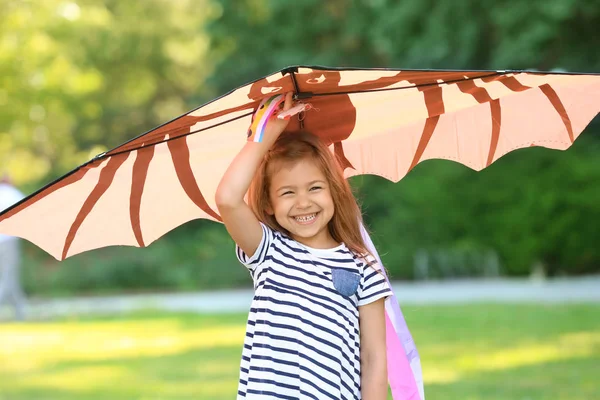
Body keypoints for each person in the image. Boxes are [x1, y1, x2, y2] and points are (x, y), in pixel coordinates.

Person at [216, 92, 392, 399]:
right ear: (268, 204)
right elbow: (228, 199)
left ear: (333, 191)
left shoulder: (363, 268)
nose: (303, 203)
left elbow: (374, 359)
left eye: (314, 188)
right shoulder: (269, 251)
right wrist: (266, 136)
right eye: (287, 193)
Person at [0, 174, 27, 321]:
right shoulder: (12, 193)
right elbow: (28, 208)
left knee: (11, 278)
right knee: (8, 277)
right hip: (8, 240)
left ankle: (20, 313)